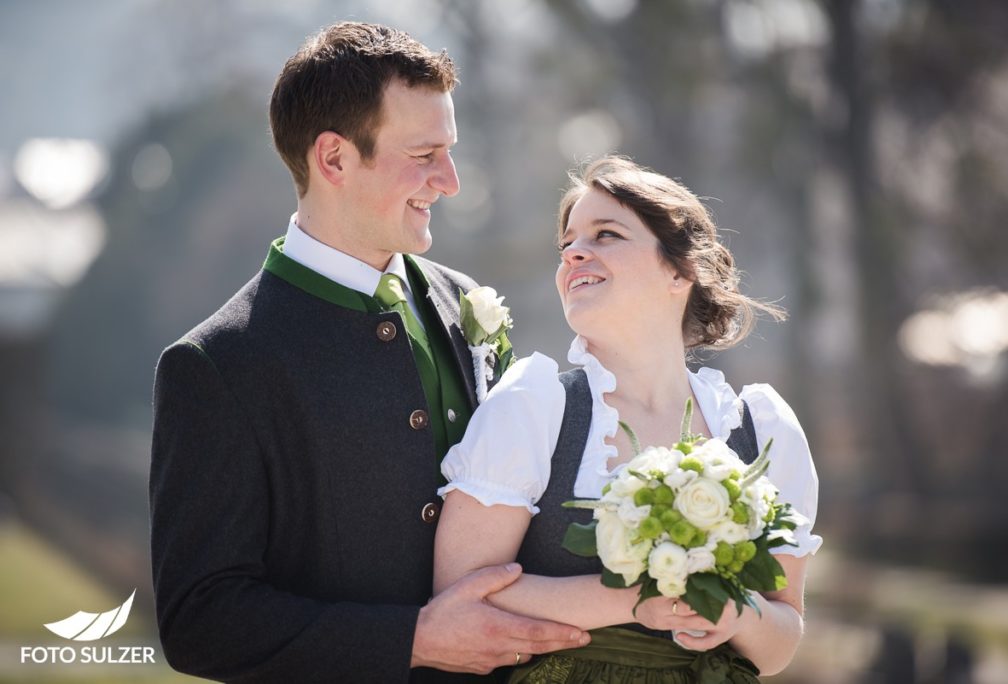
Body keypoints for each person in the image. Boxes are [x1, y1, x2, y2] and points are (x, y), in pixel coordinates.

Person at [149, 22, 589, 683]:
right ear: (333, 160)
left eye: (451, 152)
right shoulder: (217, 365)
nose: (451, 181)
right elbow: (200, 621)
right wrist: (411, 640)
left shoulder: (464, 299)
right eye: (424, 155)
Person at [434, 156, 822, 682]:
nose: (574, 252)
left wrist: (739, 613)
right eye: (567, 243)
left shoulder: (762, 426)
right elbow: (459, 596)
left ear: (680, 270)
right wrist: (635, 602)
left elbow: (779, 645)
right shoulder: (533, 407)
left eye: (606, 234)